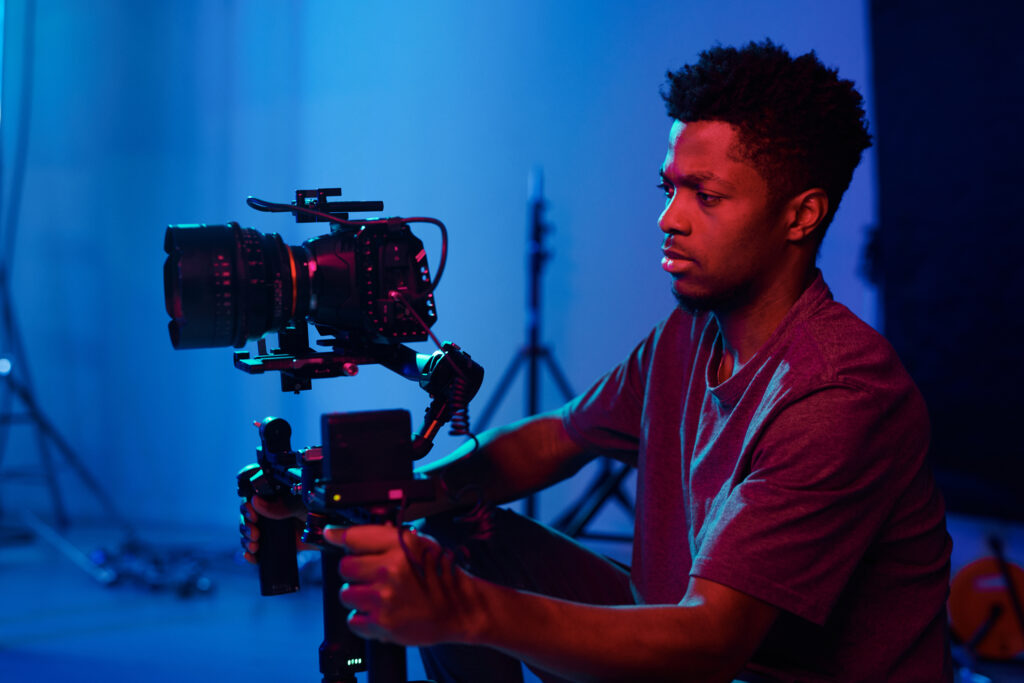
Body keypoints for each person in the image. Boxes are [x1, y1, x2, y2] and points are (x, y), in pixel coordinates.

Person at [242, 39, 952, 682]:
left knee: (462, 579)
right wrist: (345, 498)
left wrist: (468, 610)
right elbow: (552, 438)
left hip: (726, 657)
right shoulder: (689, 333)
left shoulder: (840, 393)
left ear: (802, 215)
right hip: (695, 642)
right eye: (668, 188)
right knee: (454, 530)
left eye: (705, 196)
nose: (669, 218)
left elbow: (712, 640)